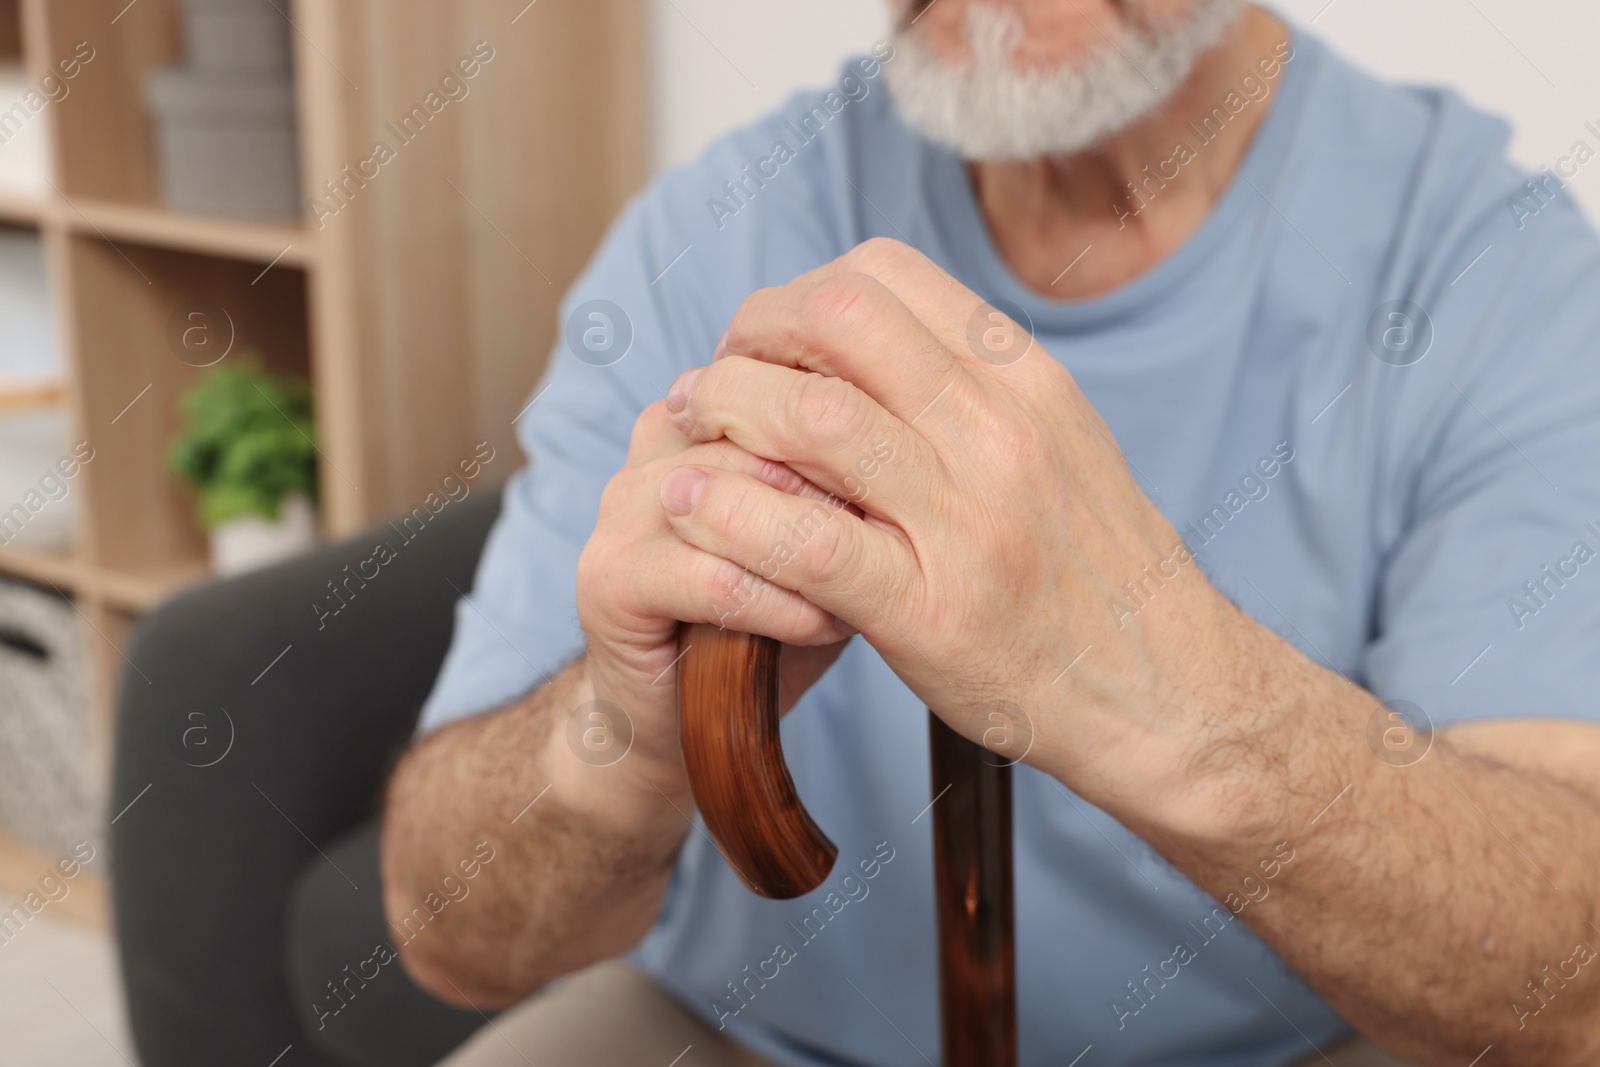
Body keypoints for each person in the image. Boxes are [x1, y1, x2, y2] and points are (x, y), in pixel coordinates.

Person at [379, 1, 1600, 1064]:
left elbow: (1573, 981)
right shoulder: (717, 228)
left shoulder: (1489, 269)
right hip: (743, 1032)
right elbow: (446, 930)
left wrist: (1160, 683)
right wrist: (624, 738)